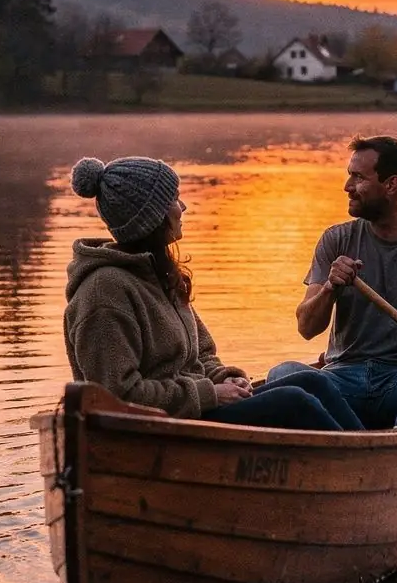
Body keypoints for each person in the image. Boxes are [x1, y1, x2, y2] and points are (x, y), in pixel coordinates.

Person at [64, 154, 363, 431]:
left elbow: (201, 355)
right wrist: (210, 394)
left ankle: (371, 456)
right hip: (164, 428)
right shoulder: (104, 292)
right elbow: (115, 395)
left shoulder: (159, 274)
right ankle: (362, 473)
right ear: (152, 216)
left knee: (313, 382)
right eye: (174, 199)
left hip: (196, 409)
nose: (183, 207)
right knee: (294, 401)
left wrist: (223, 377)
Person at [266, 134, 397, 427]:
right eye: (349, 176)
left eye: (358, 178)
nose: (347, 187)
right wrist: (330, 288)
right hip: (342, 380)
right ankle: (349, 439)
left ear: (391, 185)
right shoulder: (336, 239)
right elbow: (306, 327)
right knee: (282, 375)